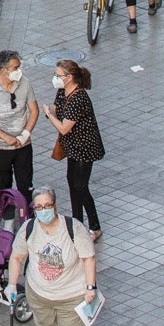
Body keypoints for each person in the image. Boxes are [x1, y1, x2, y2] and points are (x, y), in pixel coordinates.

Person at [7, 184, 99, 326]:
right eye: (39, 207)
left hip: (71, 295)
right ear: (33, 209)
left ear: (55, 206)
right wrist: (12, 284)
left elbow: (88, 258)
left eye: (48, 205)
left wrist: (90, 287)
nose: (43, 210)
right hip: (39, 294)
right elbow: (17, 257)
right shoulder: (29, 228)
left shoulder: (73, 228)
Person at [43, 59, 105, 241]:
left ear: (69, 77)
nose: (55, 78)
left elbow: (63, 127)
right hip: (72, 147)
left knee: (81, 186)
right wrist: (52, 113)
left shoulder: (79, 98)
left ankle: (95, 226)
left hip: (85, 148)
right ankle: (77, 222)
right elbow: (57, 110)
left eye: (58, 75)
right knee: (72, 182)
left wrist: (49, 114)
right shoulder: (62, 91)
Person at [0, 49, 39, 207]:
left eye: (19, 66)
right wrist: (6, 137)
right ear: (4, 70)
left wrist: (24, 135)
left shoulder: (25, 84)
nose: (19, 71)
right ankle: (7, 216)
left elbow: (34, 110)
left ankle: (26, 214)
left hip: (23, 146)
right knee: (4, 185)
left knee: (25, 184)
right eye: (15, 68)